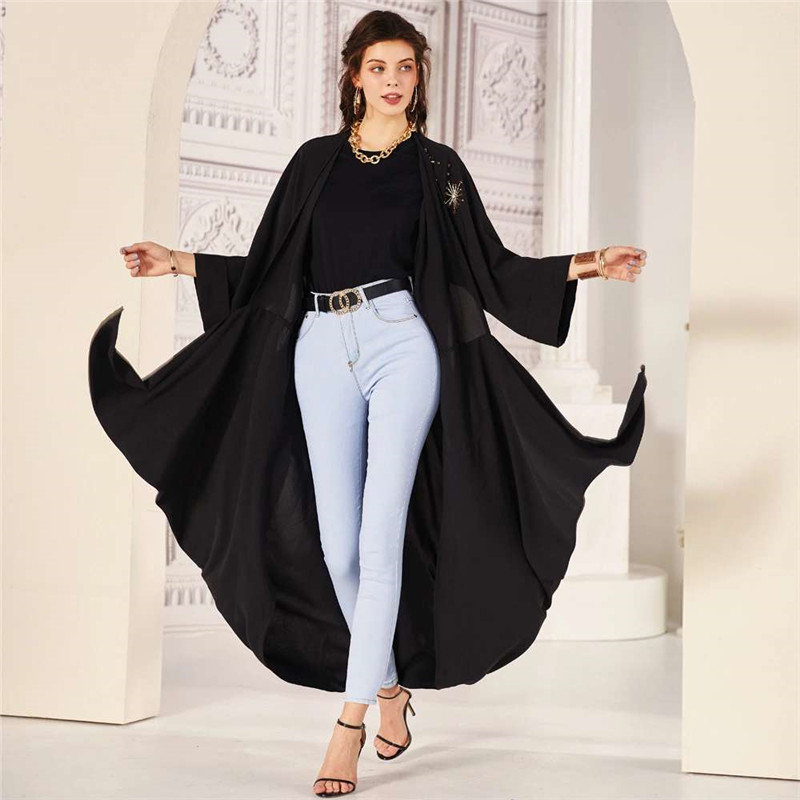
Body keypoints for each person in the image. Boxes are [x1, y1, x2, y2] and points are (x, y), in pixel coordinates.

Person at [113, 11, 646, 798]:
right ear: (354, 77)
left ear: (418, 77)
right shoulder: (314, 162)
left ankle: (349, 724)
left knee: (380, 540)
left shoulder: (437, 169)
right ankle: (391, 688)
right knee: (339, 550)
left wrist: (592, 263)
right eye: (378, 67)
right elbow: (267, 265)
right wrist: (176, 261)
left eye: (406, 67)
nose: (393, 80)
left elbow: (492, 266)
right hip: (319, 345)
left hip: (403, 345)